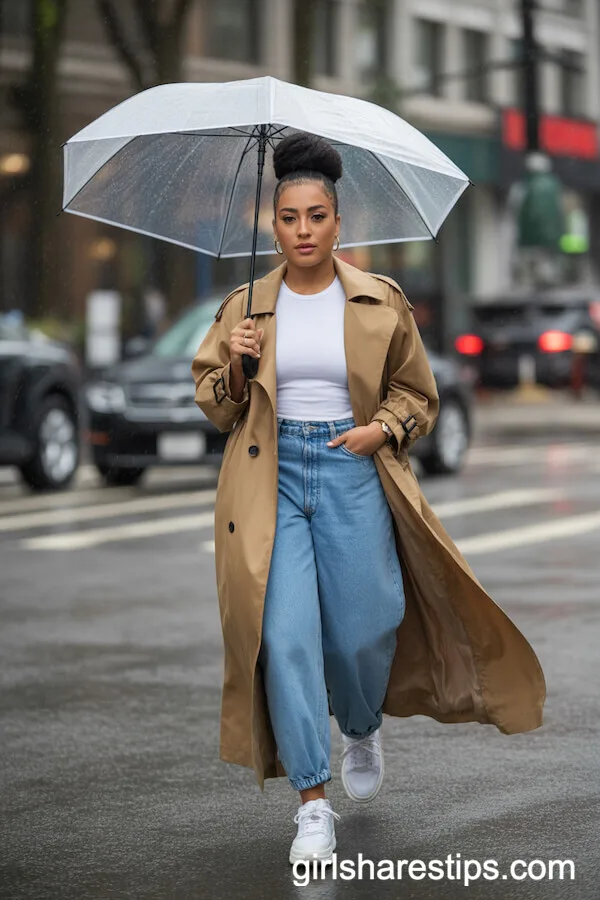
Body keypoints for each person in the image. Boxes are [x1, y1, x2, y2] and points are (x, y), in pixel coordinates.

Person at [191, 132, 546, 867]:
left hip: (352, 467)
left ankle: (359, 721)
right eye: (289, 218)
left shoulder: (379, 301)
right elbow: (215, 407)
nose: (303, 231)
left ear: (337, 221)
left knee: (362, 630)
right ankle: (312, 805)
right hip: (272, 479)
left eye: (316, 216)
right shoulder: (246, 307)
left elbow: (419, 392)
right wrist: (234, 363)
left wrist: (380, 429)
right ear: (275, 222)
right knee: (284, 638)